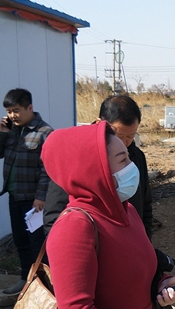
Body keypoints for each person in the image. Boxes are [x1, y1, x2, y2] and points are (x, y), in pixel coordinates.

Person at [41, 122, 175, 309]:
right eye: (123, 160)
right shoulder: (75, 227)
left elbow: (131, 271)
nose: (132, 166)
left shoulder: (126, 211)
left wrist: (161, 284)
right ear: (94, 168)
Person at [44, 94, 154, 238]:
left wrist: (145, 242)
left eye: (131, 136)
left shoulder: (137, 156)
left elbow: (145, 205)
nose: (125, 143)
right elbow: (54, 216)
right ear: (99, 124)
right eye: (119, 136)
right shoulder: (76, 158)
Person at [0, 88, 53, 295]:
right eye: (9, 111)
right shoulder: (11, 130)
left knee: (38, 244)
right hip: (14, 196)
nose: (12, 115)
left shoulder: (45, 133)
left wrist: (41, 197)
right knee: (21, 241)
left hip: (34, 201)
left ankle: (43, 286)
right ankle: (25, 279)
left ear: (30, 107)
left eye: (16, 110)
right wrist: (1, 132)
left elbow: (48, 169)